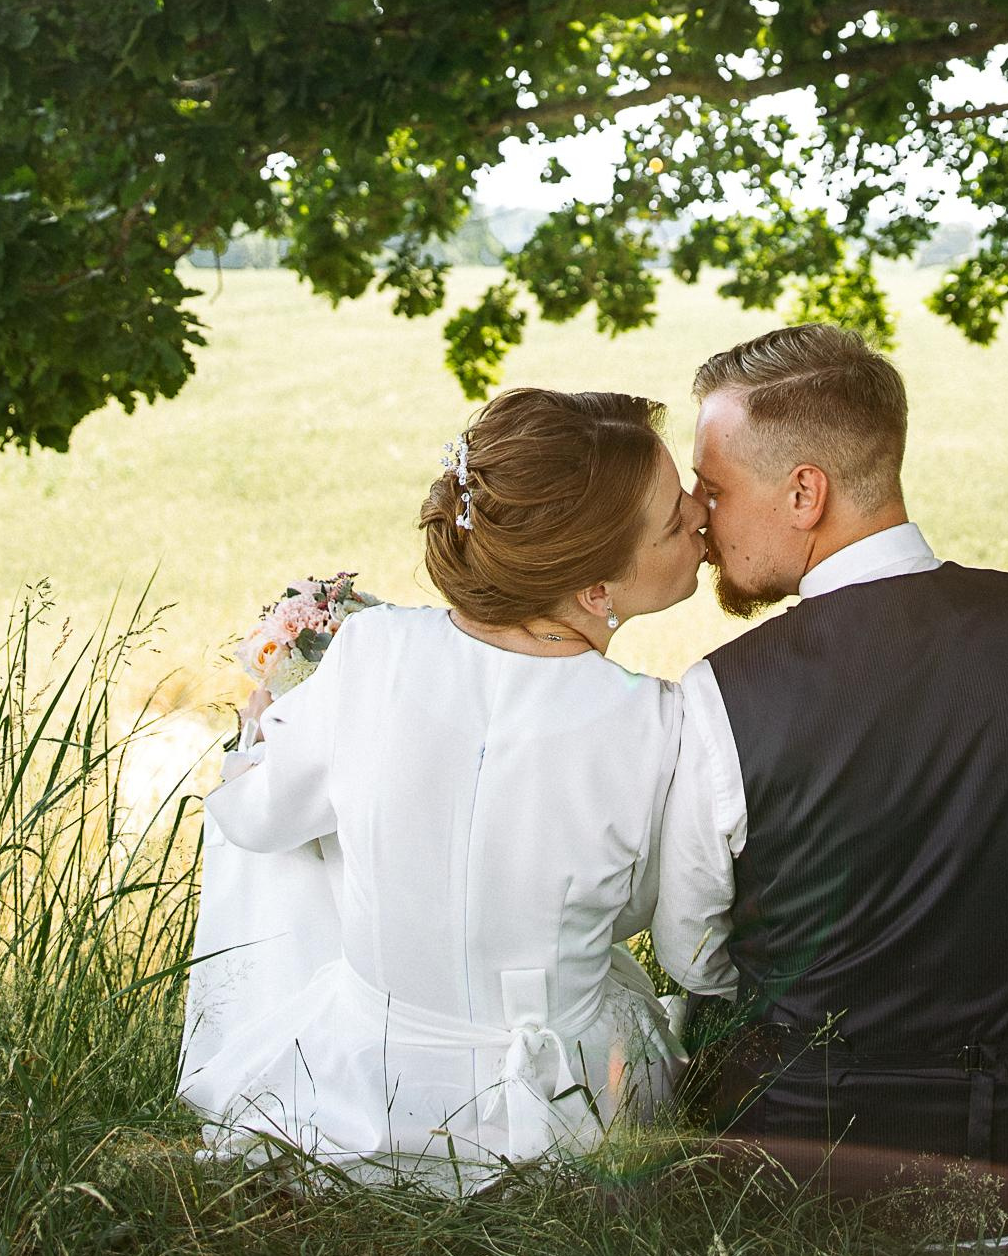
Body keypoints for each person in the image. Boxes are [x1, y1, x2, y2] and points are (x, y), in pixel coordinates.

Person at [656, 322, 1008, 1234]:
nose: (700, 518)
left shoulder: (722, 694)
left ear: (805, 491)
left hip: (800, 1206)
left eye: (716, 489)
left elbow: (696, 955)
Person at [179, 385, 708, 1192]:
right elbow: (641, 913)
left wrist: (260, 734)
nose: (703, 515)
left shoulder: (372, 650)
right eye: (677, 518)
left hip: (361, 1082)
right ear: (597, 592)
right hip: (571, 1102)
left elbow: (255, 819)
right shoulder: (657, 722)